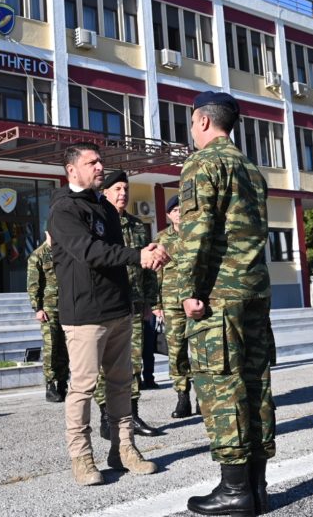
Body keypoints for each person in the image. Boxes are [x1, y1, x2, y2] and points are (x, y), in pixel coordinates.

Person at [177, 91, 276, 516]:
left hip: (219, 296)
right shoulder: (251, 168)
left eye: (191, 122)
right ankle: (257, 487)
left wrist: (187, 290)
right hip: (254, 292)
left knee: (221, 386)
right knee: (255, 386)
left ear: (202, 121)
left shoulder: (203, 163)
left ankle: (235, 490)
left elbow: (196, 234)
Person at [47, 142, 168, 486]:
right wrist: (137, 256)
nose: (100, 167)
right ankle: (82, 457)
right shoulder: (63, 210)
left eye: (100, 161)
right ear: (72, 170)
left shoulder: (105, 207)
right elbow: (91, 252)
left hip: (117, 309)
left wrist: (145, 253)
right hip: (85, 313)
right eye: (92, 162)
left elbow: (115, 252)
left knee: (121, 383)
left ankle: (123, 448)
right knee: (83, 388)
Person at [95, 170, 161, 439]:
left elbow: (148, 267)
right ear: (105, 193)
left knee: (133, 363)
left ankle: (131, 415)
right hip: (105, 303)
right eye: (117, 189)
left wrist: (150, 302)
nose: (123, 194)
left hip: (133, 303)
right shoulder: (97, 222)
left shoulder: (136, 225)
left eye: (126, 189)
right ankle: (105, 417)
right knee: (104, 364)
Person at [156, 194, 197, 418]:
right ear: (168, 215)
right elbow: (156, 272)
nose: (179, 213)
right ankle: (183, 396)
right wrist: (156, 303)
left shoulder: (197, 233)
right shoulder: (162, 238)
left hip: (197, 300)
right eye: (174, 210)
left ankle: (204, 396)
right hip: (172, 303)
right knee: (177, 351)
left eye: (182, 209)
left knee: (200, 349)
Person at [27, 230, 69, 402]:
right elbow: (33, 285)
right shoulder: (37, 255)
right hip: (48, 308)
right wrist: (37, 308)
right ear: (46, 233)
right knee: (51, 346)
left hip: (66, 307)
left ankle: (62, 383)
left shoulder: (64, 252)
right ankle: (50, 385)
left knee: (65, 346)